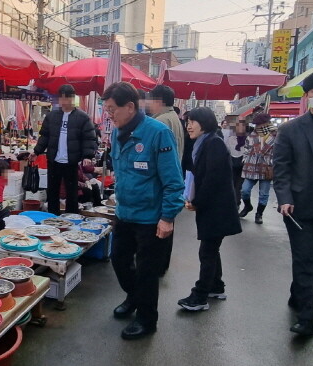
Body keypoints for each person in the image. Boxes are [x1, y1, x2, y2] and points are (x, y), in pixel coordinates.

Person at [103, 82, 184, 339]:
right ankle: (134, 297)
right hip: (124, 212)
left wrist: (167, 217)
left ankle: (147, 320)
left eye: (112, 109)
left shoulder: (158, 133)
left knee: (148, 271)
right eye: (106, 109)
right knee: (118, 260)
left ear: (130, 107)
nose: (109, 114)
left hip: (151, 218)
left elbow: (173, 181)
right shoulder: (116, 132)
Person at [177, 107, 242, 311]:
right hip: (214, 208)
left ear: (204, 122)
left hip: (217, 209)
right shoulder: (204, 142)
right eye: (187, 121)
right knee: (212, 250)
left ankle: (200, 296)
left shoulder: (213, 143)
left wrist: (196, 202)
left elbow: (212, 180)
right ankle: (216, 286)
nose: (188, 125)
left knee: (207, 252)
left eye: (193, 121)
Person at [273, 69, 313, 336]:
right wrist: (285, 199)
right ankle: (307, 317)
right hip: (299, 207)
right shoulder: (292, 129)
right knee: (305, 259)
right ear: (307, 96)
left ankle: (298, 293)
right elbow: (281, 168)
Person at [31, 84, 97, 215]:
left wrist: (87, 156)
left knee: (71, 191)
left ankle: (71, 217)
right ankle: (52, 216)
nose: (64, 102)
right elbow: (44, 136)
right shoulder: (51, 116)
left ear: (73, 99)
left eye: (67, 99)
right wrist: (36, 151)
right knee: (52, 190)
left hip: (71, 161)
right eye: (61, 98)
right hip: (54, 159)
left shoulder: (83, 117)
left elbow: (89, 138)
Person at [148, 85, 185, 275]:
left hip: (162, 181)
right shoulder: (175, 119)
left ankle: (158, 266)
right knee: (168, 226)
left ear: (159, 100)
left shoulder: (161, 121)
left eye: (151, 99)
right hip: (172, 178)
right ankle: (163, 264)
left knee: (161, 225)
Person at [239, 113, 276, 224]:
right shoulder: (252, 135)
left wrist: (272, 162)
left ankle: (259, 214)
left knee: (264, 194)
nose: (258, 126)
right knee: (245, 190)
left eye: (260, 124)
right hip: (251, 166)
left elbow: (280, 151)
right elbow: (246, 147)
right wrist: (245, 159)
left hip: (266, 168)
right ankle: (247, 206)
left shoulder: (276, 135)